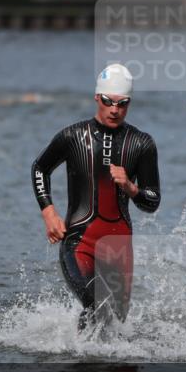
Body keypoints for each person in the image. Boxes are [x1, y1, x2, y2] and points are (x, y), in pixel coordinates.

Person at [31, 64, 161, 331]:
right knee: (95, 303)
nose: (114, 110)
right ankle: (78, 361)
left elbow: (153, 201)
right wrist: (49, 213)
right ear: (96, 98)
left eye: (122, 104)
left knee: (116, 322)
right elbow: (40, 168)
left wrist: (132, 189)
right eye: (108, 102)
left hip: (119, 247)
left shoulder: (142, 144)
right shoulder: (72, 136)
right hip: (80, 242)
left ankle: (91, 362)